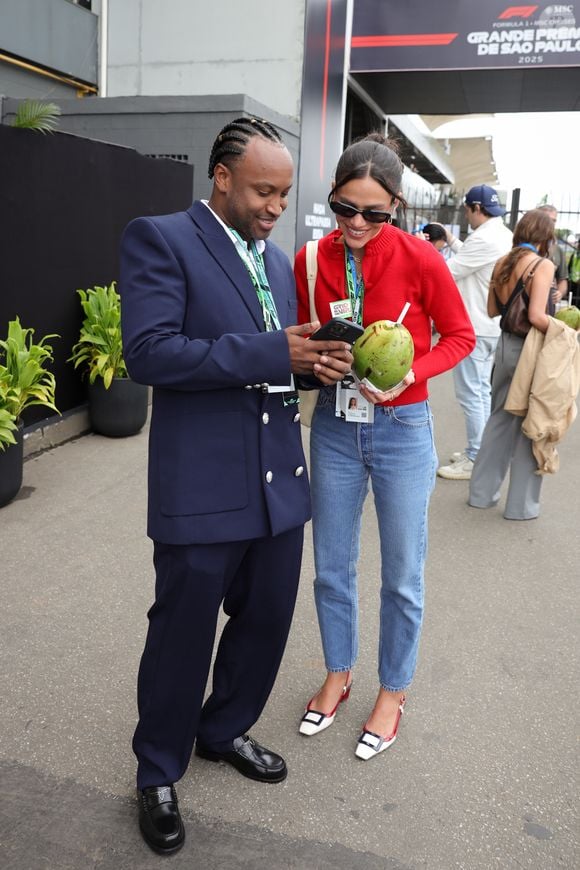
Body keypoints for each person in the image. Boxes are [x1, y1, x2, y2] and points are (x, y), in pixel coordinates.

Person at [119, 116, 353, 855]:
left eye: (284, 194)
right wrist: (273, 351)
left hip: (278, 481)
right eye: (262, 192)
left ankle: (223, 730)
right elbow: (151, 353)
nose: (275, 207)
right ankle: (158, 770)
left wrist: (314, 363)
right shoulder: (161, 238)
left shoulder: (275, 262)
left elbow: (274, 359)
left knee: (266, 622)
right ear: (221, 177)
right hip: (202, 483)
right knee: (181, 634)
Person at [293, 133, 475, 761]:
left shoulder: (421, 258)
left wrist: (412, 372)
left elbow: (459, 337)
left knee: (401, 575)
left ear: (396, 205)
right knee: (331, 566)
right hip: (335, 427)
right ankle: (338, 674)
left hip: (403, 429)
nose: (357, 223)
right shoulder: (310, 259)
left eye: (374, 212)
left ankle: (393, 691)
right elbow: (302, 340)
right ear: (333, 197)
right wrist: (315, 361)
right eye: (345, 207)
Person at [468, 209, 556, 519]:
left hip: (504, 347)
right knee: (533, 425)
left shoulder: (503, 262)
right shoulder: (542, 265)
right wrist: (564, 330)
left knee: (499, 420)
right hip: (529, 350)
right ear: (545, 237)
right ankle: (521, 507)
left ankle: (481, 495)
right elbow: (536, 316)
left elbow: (492, 310)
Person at [435, 184, 513, 481]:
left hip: (476, 327)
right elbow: (473, 258)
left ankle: (475, 456)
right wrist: (452, 240)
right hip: (490, 326)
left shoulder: (483, 239)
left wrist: (430, 250)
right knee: (481, 392)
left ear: (477, 209)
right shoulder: (501, 233)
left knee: (471, 395)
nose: (466, 216)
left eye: (467, 210)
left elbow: (448, 272)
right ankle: (480, 451)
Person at [538, 204, 568, 301]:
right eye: (547, 219)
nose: (551, 223)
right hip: (525, 302)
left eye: (554, 220)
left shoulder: (557, 249)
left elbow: (563, 280)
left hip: (548, 302)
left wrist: (560, 293)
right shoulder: (525, 246)